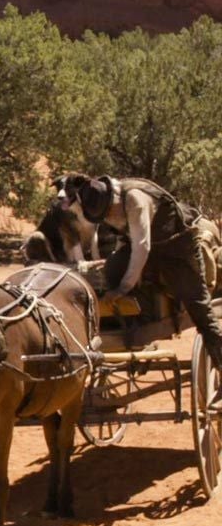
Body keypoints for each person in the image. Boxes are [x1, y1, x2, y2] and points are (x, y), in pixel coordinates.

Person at [76, 174, 222, 407]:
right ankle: (134, 327)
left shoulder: (135, 199)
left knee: (199, 307)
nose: (108, 218)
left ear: (111, 198)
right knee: (113, 267)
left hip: (177, 248)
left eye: (107, 212)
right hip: (151, 250)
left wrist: (123, 288)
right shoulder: (108, 205)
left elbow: (142, 247)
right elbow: (127, 243)